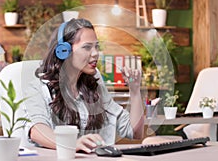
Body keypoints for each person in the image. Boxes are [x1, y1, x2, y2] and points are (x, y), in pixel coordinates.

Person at [24, 18, 144, 153]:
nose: (95, 53)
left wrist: (135, 91)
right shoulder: (39, 87)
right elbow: (36, 130)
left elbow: (135, 132)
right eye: (87, 47)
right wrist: (72, 144)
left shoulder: (94, 85)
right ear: (64, 51)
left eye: (96, 47)